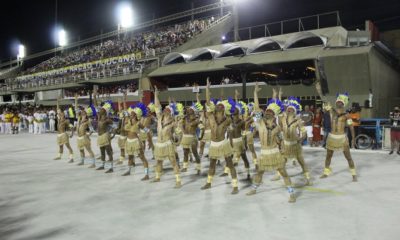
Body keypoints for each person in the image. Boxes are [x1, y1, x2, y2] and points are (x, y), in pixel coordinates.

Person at [246, 82, 296, 203]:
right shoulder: (260, 122)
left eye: (269, 112)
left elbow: (280, 140)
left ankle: (291, 194)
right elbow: (257, 108)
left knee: (283, 172)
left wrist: (283, 148)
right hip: (264, 154)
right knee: (259, 172)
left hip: (274, 153)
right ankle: (254, 189)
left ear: (274, 115)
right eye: (266, 111)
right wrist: (255, 93)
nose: (267, 113)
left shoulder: (278, 127)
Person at [201, 78, 239, 194]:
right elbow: (208, 103)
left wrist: (232, 133)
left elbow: (232, 126)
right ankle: (208, 182)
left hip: (223, 143)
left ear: (224, 109)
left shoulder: (227, 120)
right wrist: (207, 89)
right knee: (212, 164)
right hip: (213, 144)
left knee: (229, 163)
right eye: (218, 105)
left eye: (221, 106)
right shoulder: (210, 116)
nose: (218, 106)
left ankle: (235, 185)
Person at [315, 82, 357, 182]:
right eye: (337, 101)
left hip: (342, 138)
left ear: (343, 104)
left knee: (348, 157)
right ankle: (326, 172)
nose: (338, 103)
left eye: (340, 102)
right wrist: (319, 91)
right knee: (328, 156)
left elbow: (351, 127)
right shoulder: (331, 112)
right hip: (332, 137)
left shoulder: (347, 115)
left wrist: (353, 139)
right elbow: (324, 100)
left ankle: (354, 174)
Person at [274, 95, 312, 186]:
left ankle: (308, 179)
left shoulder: (298, 120)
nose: (288, 110)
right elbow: (279, 128)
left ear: (294, 111)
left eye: (291, 109)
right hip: (285, 145)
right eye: (288, 109)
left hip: (295, 146)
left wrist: (301, 138)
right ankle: (279, 175)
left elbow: (303, 132)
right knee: (282, 162)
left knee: (302, 162)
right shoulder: (283, 119)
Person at [152, 86, 182, 188]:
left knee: (173, 162)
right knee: (159, 161)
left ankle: (178, 180)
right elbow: (157, 106)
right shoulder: (159, 117)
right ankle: (157, 177)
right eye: (165, 109)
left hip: (168, 143)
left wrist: (177, 140)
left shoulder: (173, 122)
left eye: (167, 110)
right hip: (159, 144)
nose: (165, 110)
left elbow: (178, 133)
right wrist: (156, 95)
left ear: (171, 113)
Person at [121, 103, 150, 180]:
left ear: (136, 116)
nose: (130, 116)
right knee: (130, 157)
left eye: (132, 115)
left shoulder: (139, 124)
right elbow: (123, 129)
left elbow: (147, 131)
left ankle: (147, 174)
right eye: (130, 115)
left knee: (142, 157)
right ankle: (130, 171)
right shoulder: (128, 122)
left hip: (136, 142)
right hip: (129, 141)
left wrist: (149, 141)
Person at [93, 89, 115, 173]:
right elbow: (95, 106)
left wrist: (112, 134)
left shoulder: (107, 119)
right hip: (100, 136)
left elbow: (114, 126)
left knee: (108, 151)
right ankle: (102, 165)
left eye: (102, 109)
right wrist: (94, 96)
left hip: (105, 136)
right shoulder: (99, 116)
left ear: (105, 111)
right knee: (102, 151)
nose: (100, 109)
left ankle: (111, 167)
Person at [180, 97, 202, 174]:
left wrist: (201, 137)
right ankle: (185, 167)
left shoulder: (197, 119)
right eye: (188, 109)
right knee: (185, 152)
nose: (188, 110)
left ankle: (198, 168)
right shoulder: (184, 118)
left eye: (190, 109)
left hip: (193, 137)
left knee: (195, 153)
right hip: (185, 137)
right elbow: (181, 126)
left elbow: (201, 127)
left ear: (193, 111)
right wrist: (183, 131)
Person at [75, 94, 96, 167]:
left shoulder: (88, 121)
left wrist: (88, 135)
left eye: (83, 112)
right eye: (81, 112)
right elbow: (76, 109)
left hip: (84, 137)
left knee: (89, 150)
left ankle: (93, 163)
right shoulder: (78, 119)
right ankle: (82, 161)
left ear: (86, 114)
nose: (82, 113)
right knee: (81, 150)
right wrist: (76, 100)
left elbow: (92, 130)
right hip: (79, 138)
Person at [53, 98, 74, 162]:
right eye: (58, 112)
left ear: (63, 113)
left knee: (68, 146)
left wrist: (71, 134)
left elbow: (72, 127)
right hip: (59, 135)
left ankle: (71, 158)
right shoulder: (59, 120)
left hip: (64, 135)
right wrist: (57, 102)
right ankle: (59, 156)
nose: (58, 113)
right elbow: (57, 110)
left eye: (59, 112)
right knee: (60, 146)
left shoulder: (66, 121)